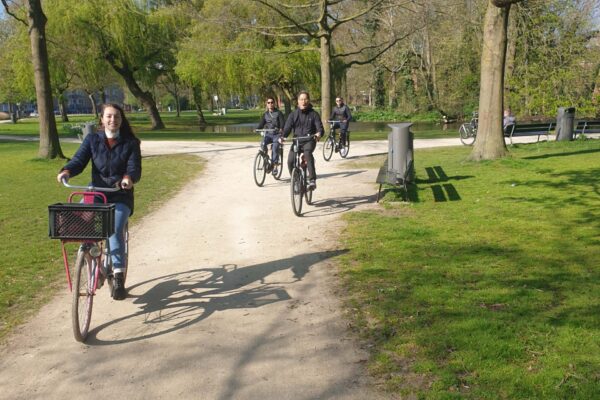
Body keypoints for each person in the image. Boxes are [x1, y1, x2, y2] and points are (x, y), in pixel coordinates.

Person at [56, 103, 142, 300]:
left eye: (117, 117)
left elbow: (134, 167)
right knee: (78, 219)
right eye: (109, 116)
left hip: (120, 194)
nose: (113, 120)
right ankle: (91, 257)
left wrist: (128, 178)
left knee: (114, 227)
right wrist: (67, 170)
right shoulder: (92, 140)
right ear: (102, 119)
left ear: (121, 120)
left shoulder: (131, 143)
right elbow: (79, 160)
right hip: (96, 192)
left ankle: (118, 274)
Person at [282, 91, 324, 189]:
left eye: (305, 99)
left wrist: (318, 134)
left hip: (309, 140)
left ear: (308, 100)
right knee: (290, 161)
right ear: (298, 101)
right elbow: (287, 128)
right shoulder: (293, 115)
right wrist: (283, 136)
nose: (303, 101)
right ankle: (296, 180)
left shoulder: (314, 114)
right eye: (301, 99)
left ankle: (312, 180)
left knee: (307, 153)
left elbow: (320, 128)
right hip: (297, 141)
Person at [257, 97, 285, 174]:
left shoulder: (279, 113)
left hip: (276, 134)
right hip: (268, 134)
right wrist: (257, 129)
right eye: (268, 102)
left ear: (274, 103)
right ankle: (267, 160)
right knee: (263, 144)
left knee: (275, 148)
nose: (270, 104)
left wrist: (281, 128)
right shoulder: (265, 114)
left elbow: (283, 123)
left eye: (271, 102)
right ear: (266, 104)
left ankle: (275, 165)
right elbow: (261, 124)